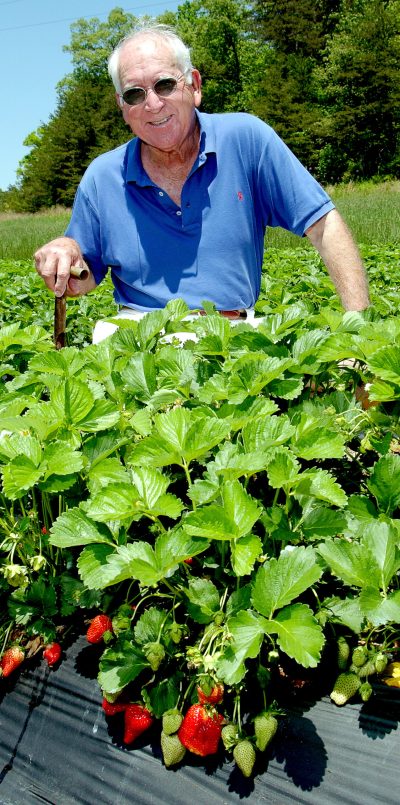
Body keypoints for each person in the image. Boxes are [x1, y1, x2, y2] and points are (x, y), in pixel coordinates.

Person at [34, 22, 370, 340]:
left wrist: (357, 336)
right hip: (138, 339)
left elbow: (324, 225)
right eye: (135, 94)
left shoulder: (246, 140)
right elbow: (83, 278)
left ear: (194, 86)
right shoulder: (102, 176)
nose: (152, 104)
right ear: (122, 106)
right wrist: (67, 252)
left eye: (165, 85)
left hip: (232, 334)